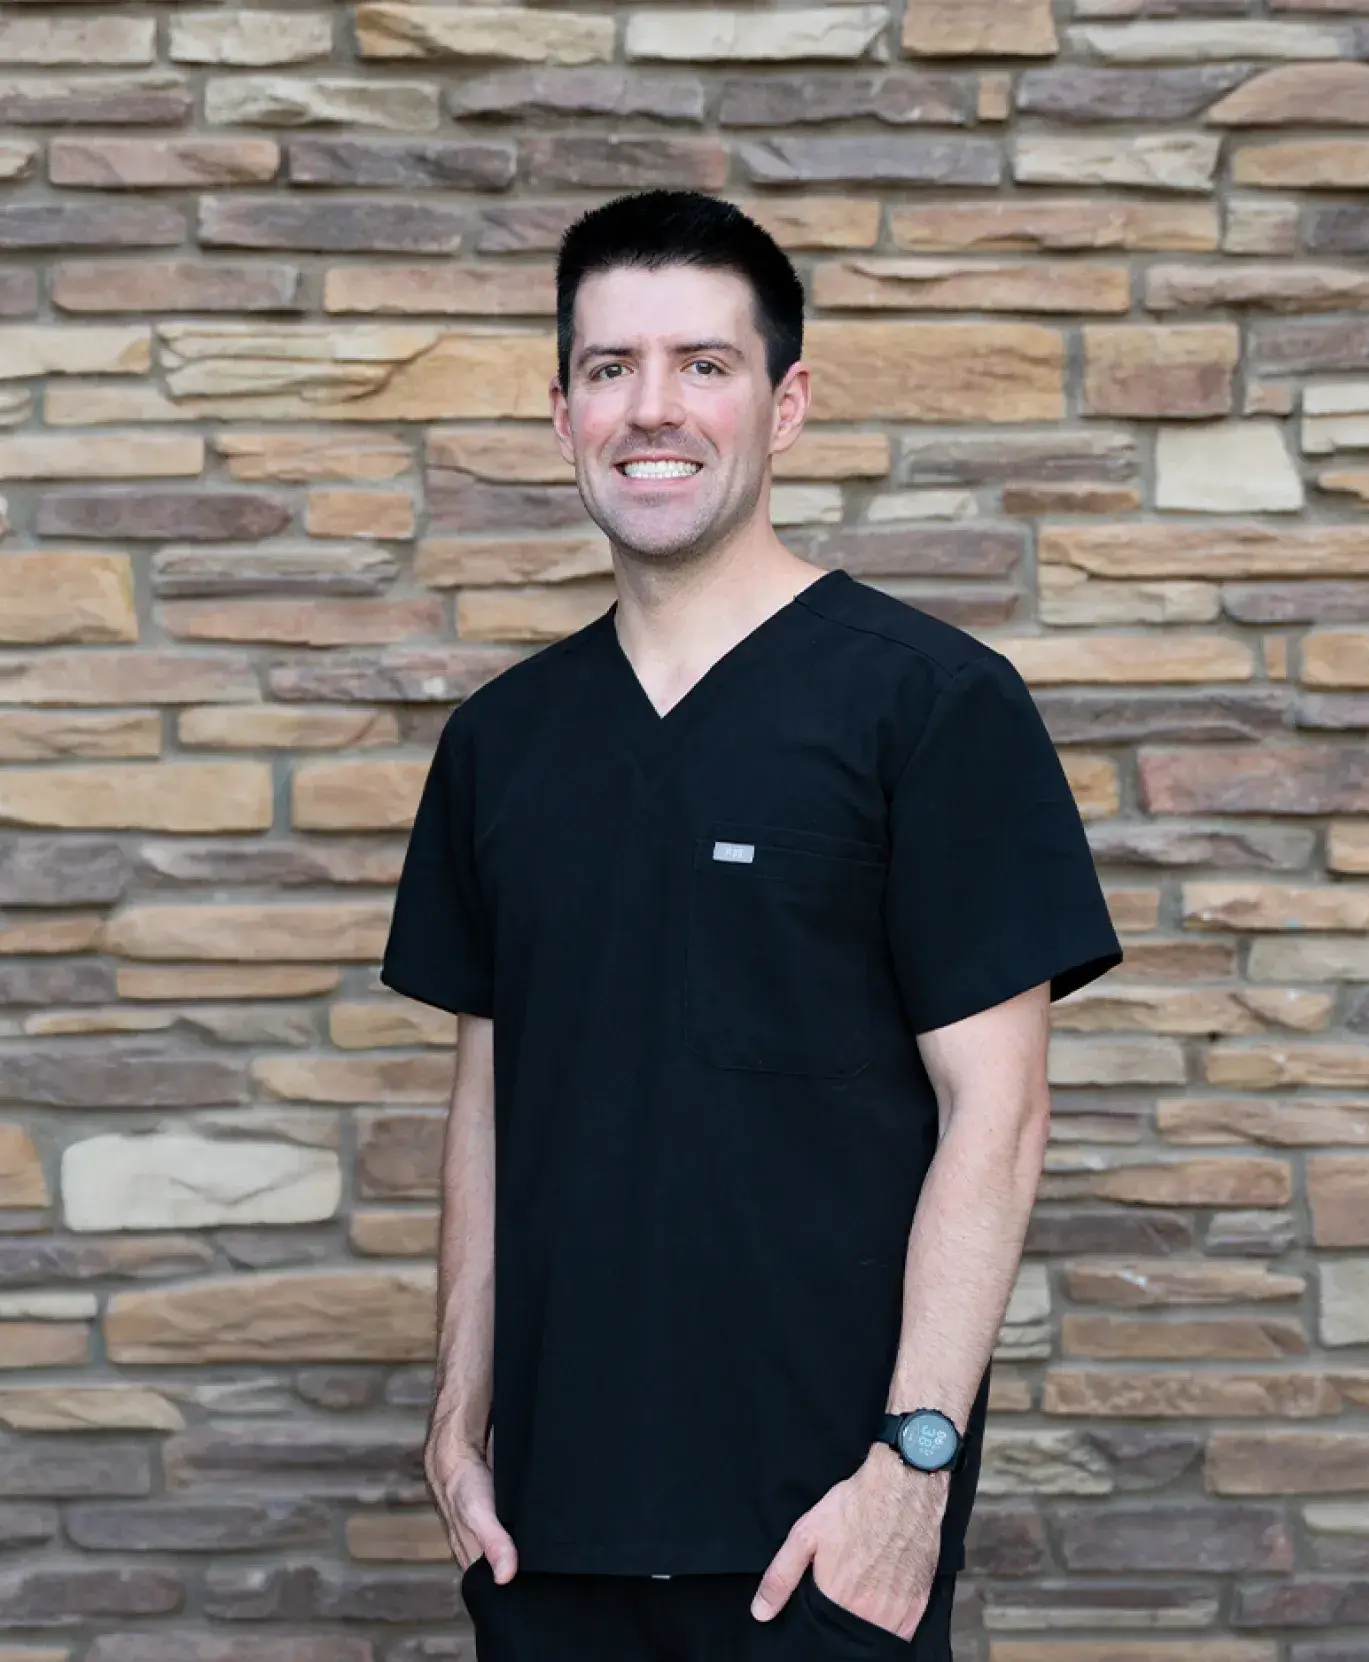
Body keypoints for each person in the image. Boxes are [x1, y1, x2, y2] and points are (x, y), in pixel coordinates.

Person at [380, 187, 1123, 1662]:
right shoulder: (501, 743)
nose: (652, 410)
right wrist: (454, 1421)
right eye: (611, 368)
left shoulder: (930, 704)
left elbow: (1004, 1109)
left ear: (785, 406)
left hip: (820, 1536)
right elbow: (488, 1094)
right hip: (545, 1529)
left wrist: (913, 1466)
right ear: (561, 411)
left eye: (702, 365)